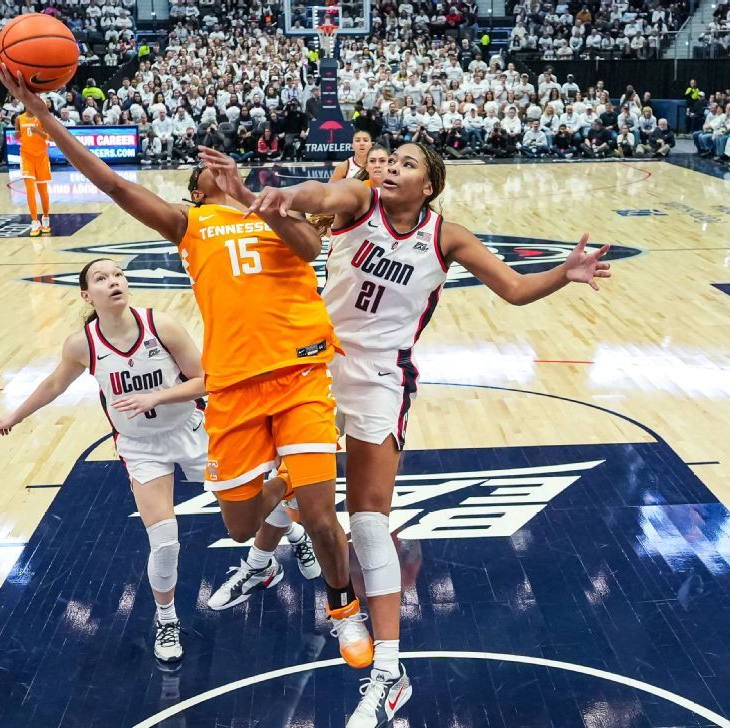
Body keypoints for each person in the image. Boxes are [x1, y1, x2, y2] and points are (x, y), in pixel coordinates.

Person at [204, 142, 611, 728]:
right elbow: (322, 193)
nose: (392, 166)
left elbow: (515, 290)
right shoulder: (359, 200)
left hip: (380, 377)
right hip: (315, 363)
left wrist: (563, 274)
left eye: (408, 164)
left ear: (429, 186)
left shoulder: (447, 237)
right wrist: (284, 195)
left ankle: (390, 674)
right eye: (390, 159)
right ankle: (262, 561)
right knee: (290, 485)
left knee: (369, 522)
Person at [0, 63, 373, 667]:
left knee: (324, 515)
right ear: (196, 190)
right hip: (233, 386)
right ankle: (285, 482)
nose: (218, 169)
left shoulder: (269, 206)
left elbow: (309, 249)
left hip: (299, 372)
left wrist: (252, 198)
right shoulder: (189, 224)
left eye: (226, 167)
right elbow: (112, 185)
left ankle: (344, 608)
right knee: (239, 527)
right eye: (206, 171)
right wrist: (42, 117)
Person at [0, 257, 210, 663]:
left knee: (249, 504)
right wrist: (15, 416)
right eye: (101, 278)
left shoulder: (160, 325)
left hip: (190, 429)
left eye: (118, 275)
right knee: (164, 541)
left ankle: (282, 539)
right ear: (86, 295)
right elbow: (54, 384)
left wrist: (157, 396)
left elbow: (206, 380)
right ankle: (166, 619)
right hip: (140, 447)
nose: (114, 281)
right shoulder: (82, 345)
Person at [16, 103, 53, 236]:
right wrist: (16, 136)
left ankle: (46, 218)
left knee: (42, 190)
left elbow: (51, 137)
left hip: (41, 157)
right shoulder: (19, 118)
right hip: (26, 156)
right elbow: (17, 136)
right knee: (30, 189)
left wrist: (38, 132)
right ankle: (34, 221)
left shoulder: (42, 118)